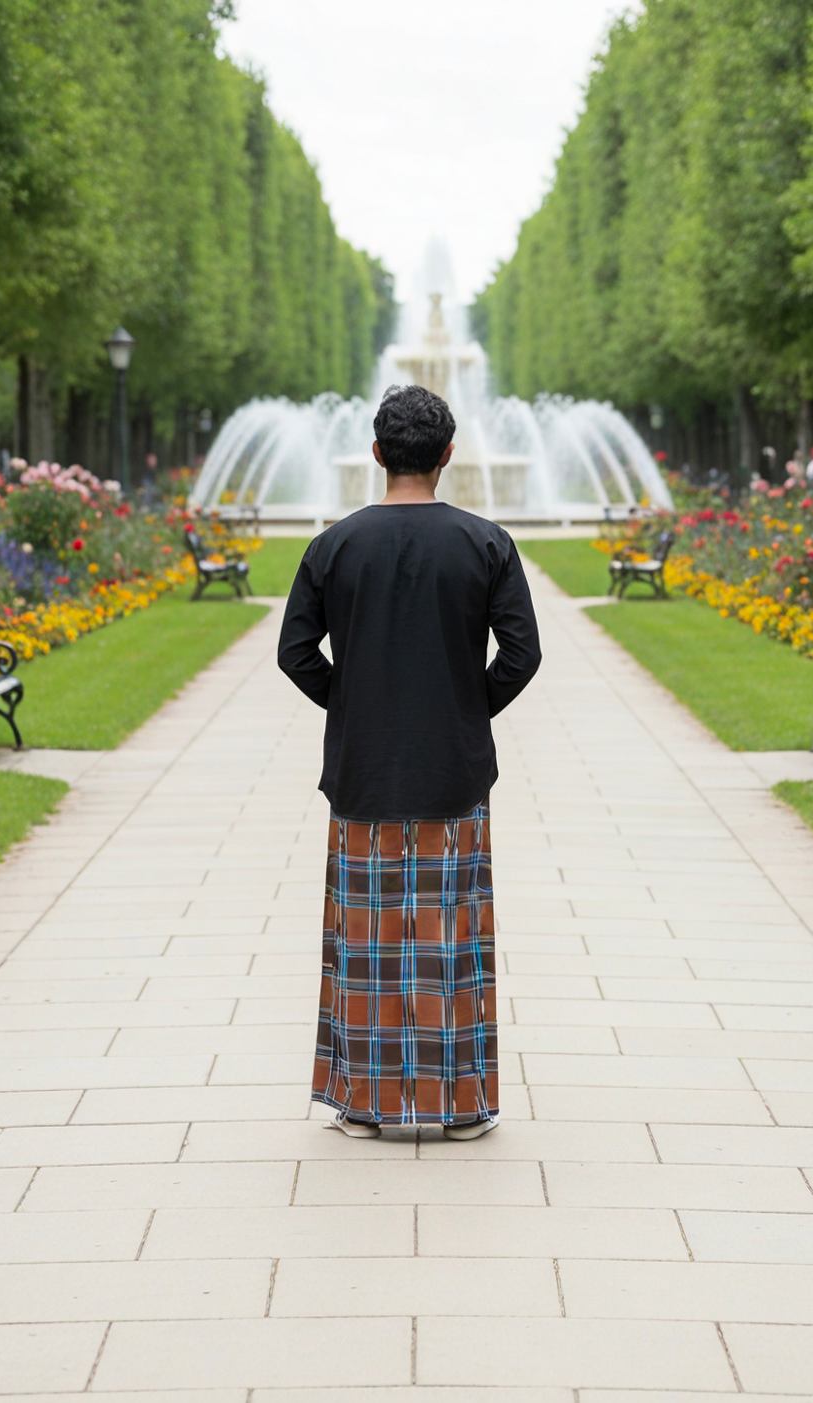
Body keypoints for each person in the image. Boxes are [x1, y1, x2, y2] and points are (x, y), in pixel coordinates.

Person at [278, 384, 541, 1140]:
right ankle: (459, 1106)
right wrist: (463, 706)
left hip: (363, 770)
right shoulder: (485, 541)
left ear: (376, 452)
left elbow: (295, 652)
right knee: (451, 939)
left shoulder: (334, 544)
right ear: (449, 456)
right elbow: (522, 654)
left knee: (363, 941)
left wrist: (354, 702)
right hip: (452, 772)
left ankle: (361, 1103)